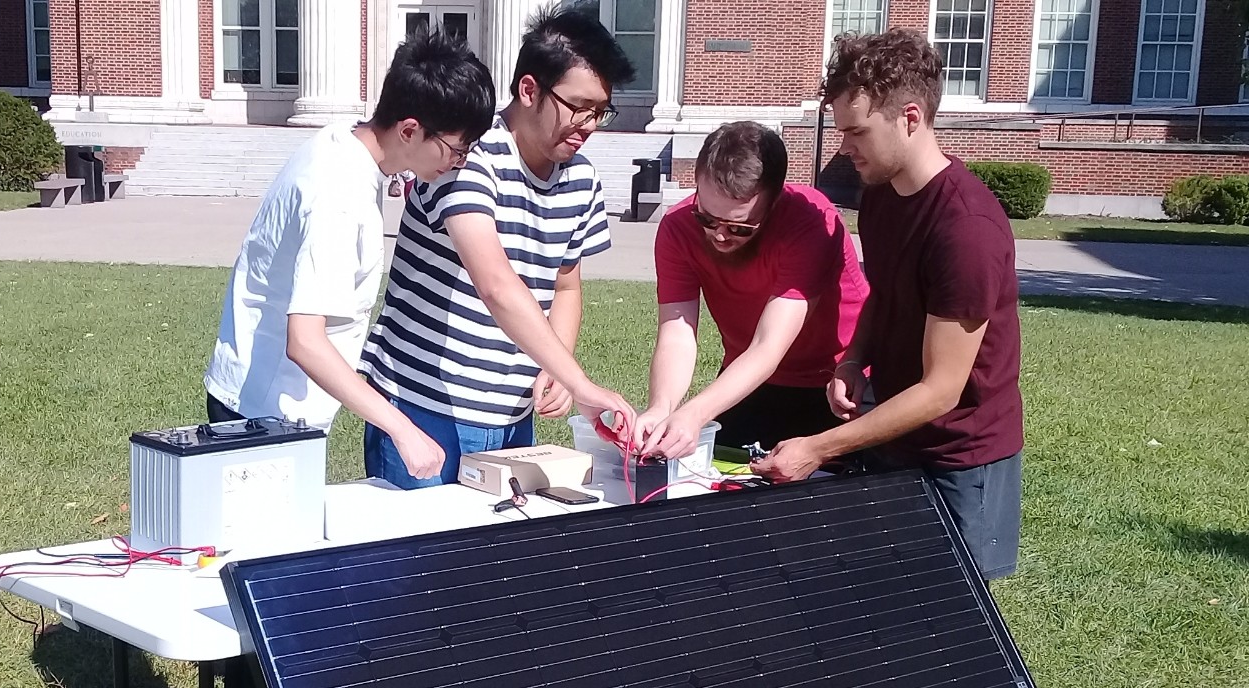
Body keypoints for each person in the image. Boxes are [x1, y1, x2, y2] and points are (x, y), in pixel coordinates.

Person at [752, 29, 1025, 582]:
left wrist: (817, 448)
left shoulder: (965, 230)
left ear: (909, 118)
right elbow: (883, 289)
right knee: (883, 606)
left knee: (953, 622)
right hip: (894, 437)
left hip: (960, 454)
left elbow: (942, 389)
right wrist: (854, 359)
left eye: (856, 132)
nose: (844, 148)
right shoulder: (880, 193)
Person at [358, 4, 638, 489]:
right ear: (528, 89)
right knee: (419, 561)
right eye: (578, 108)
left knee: (498, 563)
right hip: (423, 404)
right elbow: (495, 284)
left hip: (512, 415)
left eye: (600, 112)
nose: (588, 125)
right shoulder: (464, 152)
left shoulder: (582, 180)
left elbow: (565, 286)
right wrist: (581, 383)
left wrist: (556, 366)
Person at [202, 31, 496, 482]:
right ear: (410, 130)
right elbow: (305, 341)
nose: (459, 162)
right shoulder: (340, 193)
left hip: (265, 400)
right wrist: (402, 429)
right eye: (456, 149)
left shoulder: (346, 143)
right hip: (264, 414)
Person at [632, 121, 869, 462]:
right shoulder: (678, 225)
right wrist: (661, 407)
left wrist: (695, 413)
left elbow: (768, 346)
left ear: (773, 203)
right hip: (747, 377)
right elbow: (677, 332)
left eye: (740, 227)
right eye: (707, 219)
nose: (720, 234)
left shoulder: (810, 220)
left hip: (838, 382)